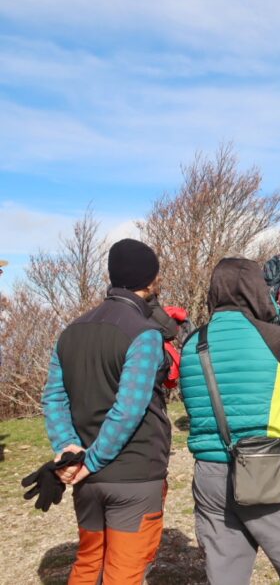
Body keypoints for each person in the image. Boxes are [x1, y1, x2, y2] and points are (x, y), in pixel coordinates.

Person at [178, 258, 280, 584]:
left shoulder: (191, 345)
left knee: (225, 578)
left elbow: (192, 404)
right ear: (257, 290)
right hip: (270, 470)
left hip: (210, 476)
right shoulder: (278, 340)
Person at [41, 239, 170, 584]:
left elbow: (53, 397)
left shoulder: (70, 331)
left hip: (86, 475)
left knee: (88, 565)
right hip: (133, 474)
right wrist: (92, 460)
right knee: (123, 574)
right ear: (150, 280)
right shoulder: (143, 334)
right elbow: (128, 410)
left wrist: (70, 449)